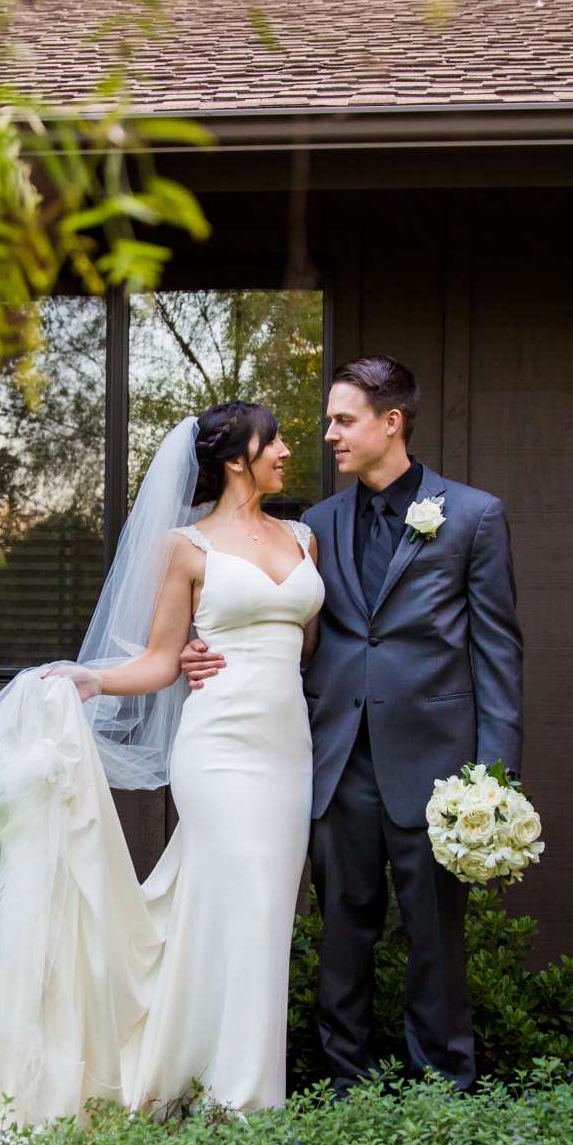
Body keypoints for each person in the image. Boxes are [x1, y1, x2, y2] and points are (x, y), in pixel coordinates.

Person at [0, 401, 322, 1135]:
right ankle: (238, 1103)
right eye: (271, 439)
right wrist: (87, 680)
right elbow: (157, 660)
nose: (286, 448)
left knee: (264, 913)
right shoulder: (185, 547)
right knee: (243, 902)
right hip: (217, 752)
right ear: (236, 459)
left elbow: (303, 645)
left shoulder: (303, 537)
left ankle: (216, 1078)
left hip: (288, 753)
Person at [181, 355, 523, 1094]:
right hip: (334, 762)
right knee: (343, 936)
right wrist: (196, 645)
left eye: (343, 420)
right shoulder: (312, 528)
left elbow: (498, 652)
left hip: (436, 770)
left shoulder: (471, 515)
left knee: (434, 939)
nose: (328, 435)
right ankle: (347, 1089)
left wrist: (492, 777)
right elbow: (271, 617)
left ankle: (445, 1092)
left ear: (390, 422)